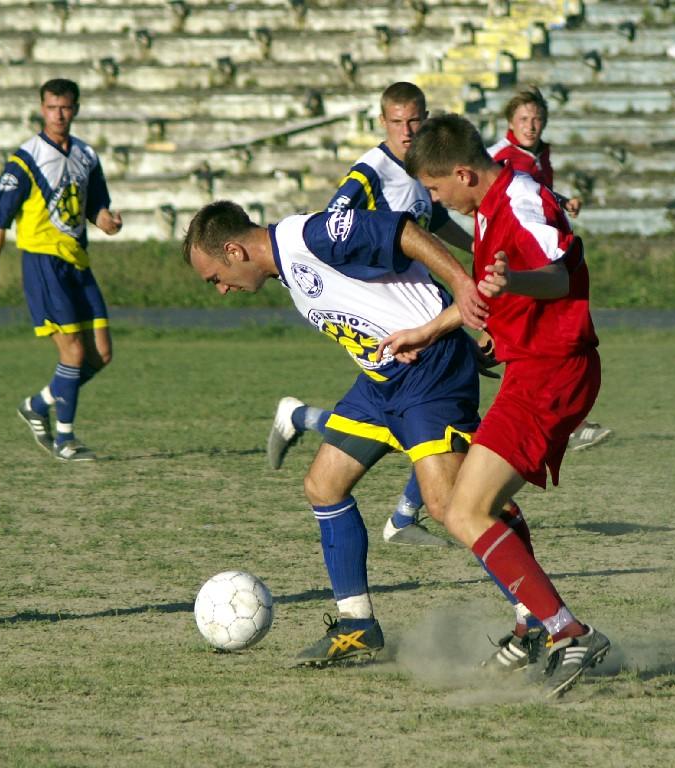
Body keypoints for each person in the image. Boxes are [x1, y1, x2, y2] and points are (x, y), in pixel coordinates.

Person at [182, 200, 497, 667]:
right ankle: (357, 626)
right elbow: (392, 295)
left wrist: (462, 289)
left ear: (234, 250)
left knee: (451, 506)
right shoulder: (288, 266)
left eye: (216, 278)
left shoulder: (309, 237)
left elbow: (402, 232)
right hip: (381, 383)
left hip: (427, 375)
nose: (222, 290)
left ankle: (540, 619)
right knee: (323, 485)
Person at [383, 114, 611, 698]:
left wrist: (516, 285)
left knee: (463, 512)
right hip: (530, 371)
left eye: (436, 189)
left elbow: (557, 277)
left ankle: (568, 632)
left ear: (462, 173)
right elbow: (486, 291)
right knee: (466, 505)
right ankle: (532, 624)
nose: (436, 200)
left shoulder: (521, 200)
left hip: (553, 370)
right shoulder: (489, 204)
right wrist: (429, 330)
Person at [320, 81, 476, 547]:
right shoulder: (370, 172)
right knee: (442, 425)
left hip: (429, 311)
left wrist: (474, 246)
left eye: (415, 120)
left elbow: (433, 220)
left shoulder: (422, 168)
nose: (407, 130)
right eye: (398, 122)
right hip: (398, 324)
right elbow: (333, 224)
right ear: (383, 122)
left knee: (441, 418)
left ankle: (411, 511)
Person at [0, 78, 123, 461]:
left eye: (66, 107)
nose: (59, 114)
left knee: (100, 355)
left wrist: (106, 222)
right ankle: (65, 439)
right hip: (42, 263)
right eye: (52, 107)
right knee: (72, 353)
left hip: (78, 262)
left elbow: (96, 207)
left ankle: (38, 404)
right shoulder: (26, 158)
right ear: (42, 109)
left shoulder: (87, 155)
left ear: (76, 109)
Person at [489, 85, 611, 451]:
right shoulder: (499, 156)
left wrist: (561, 202)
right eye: (524, 119)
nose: (531, 125)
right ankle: (554, 422)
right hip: (518, 260)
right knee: (532, 339)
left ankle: (556, 420)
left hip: (541, 260)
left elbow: (532, 194)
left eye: (537, 118)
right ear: (511, 122)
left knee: (541, 339)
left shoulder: (539, 154)